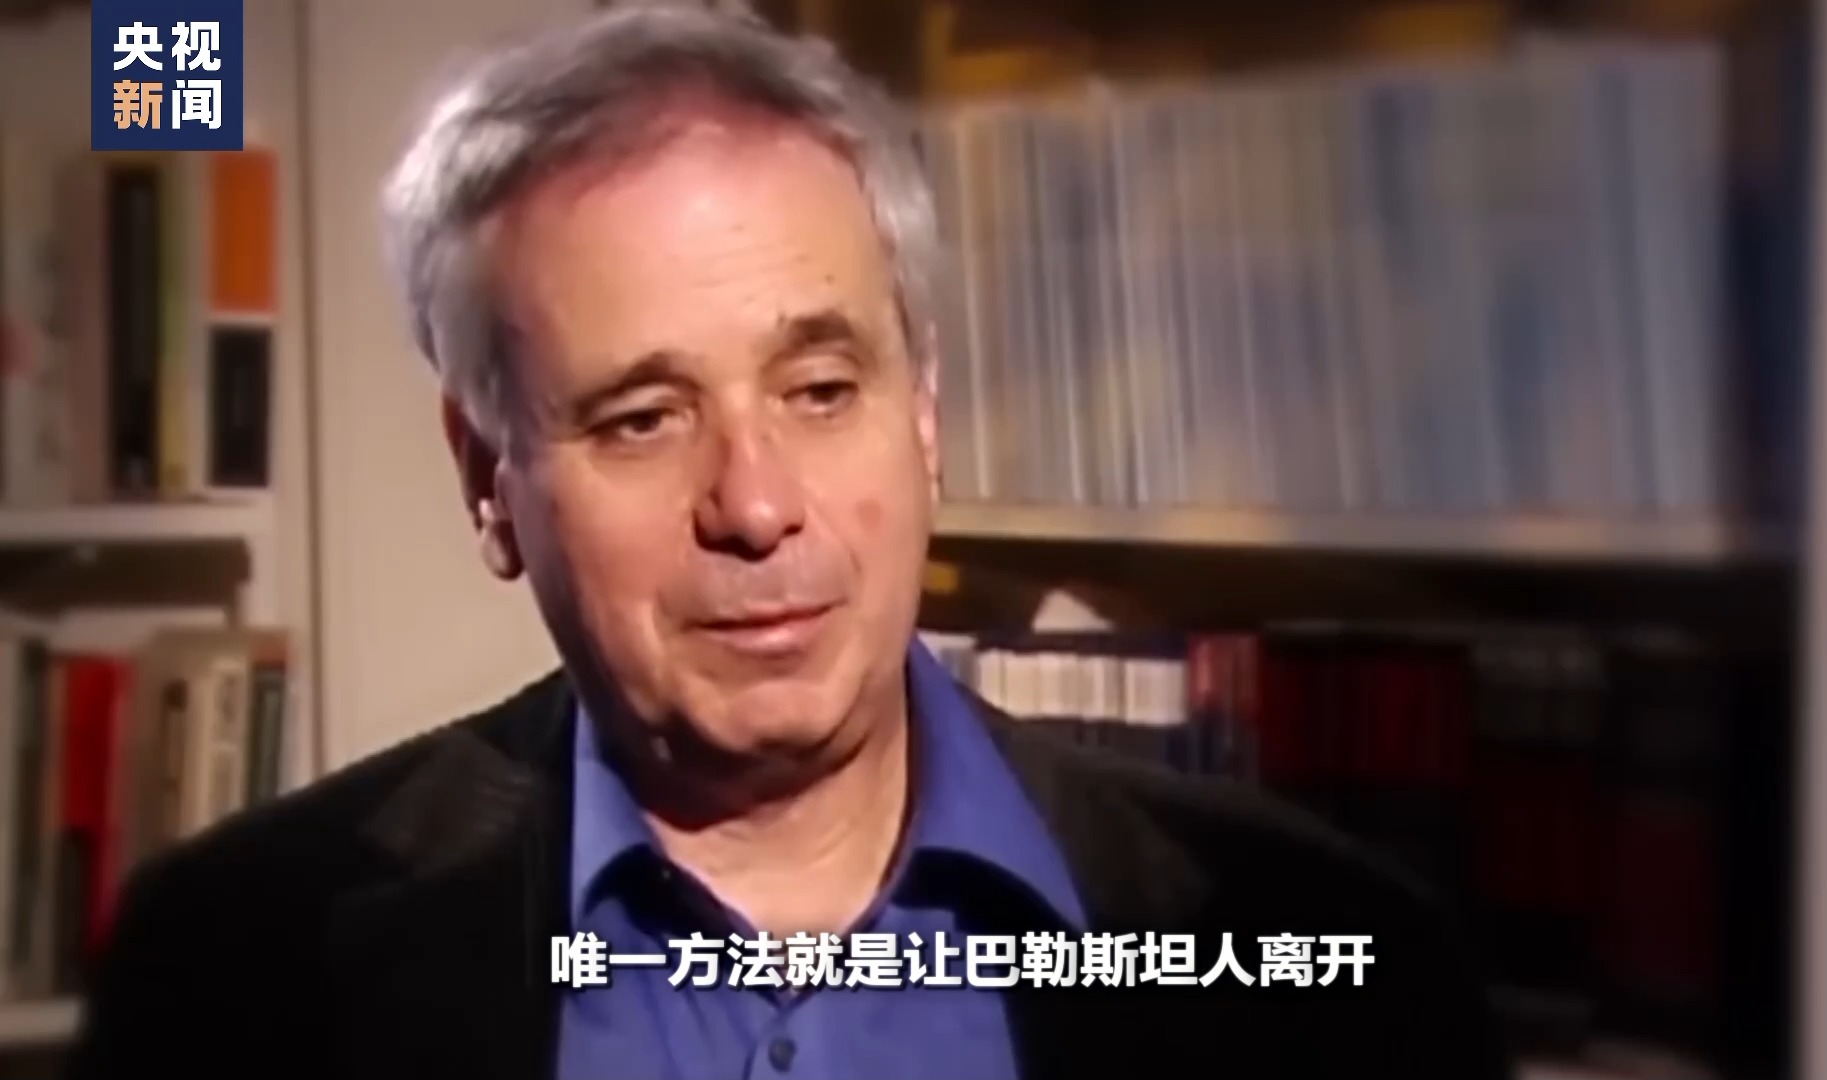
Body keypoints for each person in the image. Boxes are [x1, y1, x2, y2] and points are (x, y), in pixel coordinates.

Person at [64, 4, 1512, 1079]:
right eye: (643, 418)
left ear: (924, 415)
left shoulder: (1341, 960)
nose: (756, 507)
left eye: (821, 391)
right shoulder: (236, 970)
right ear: (487, 477)